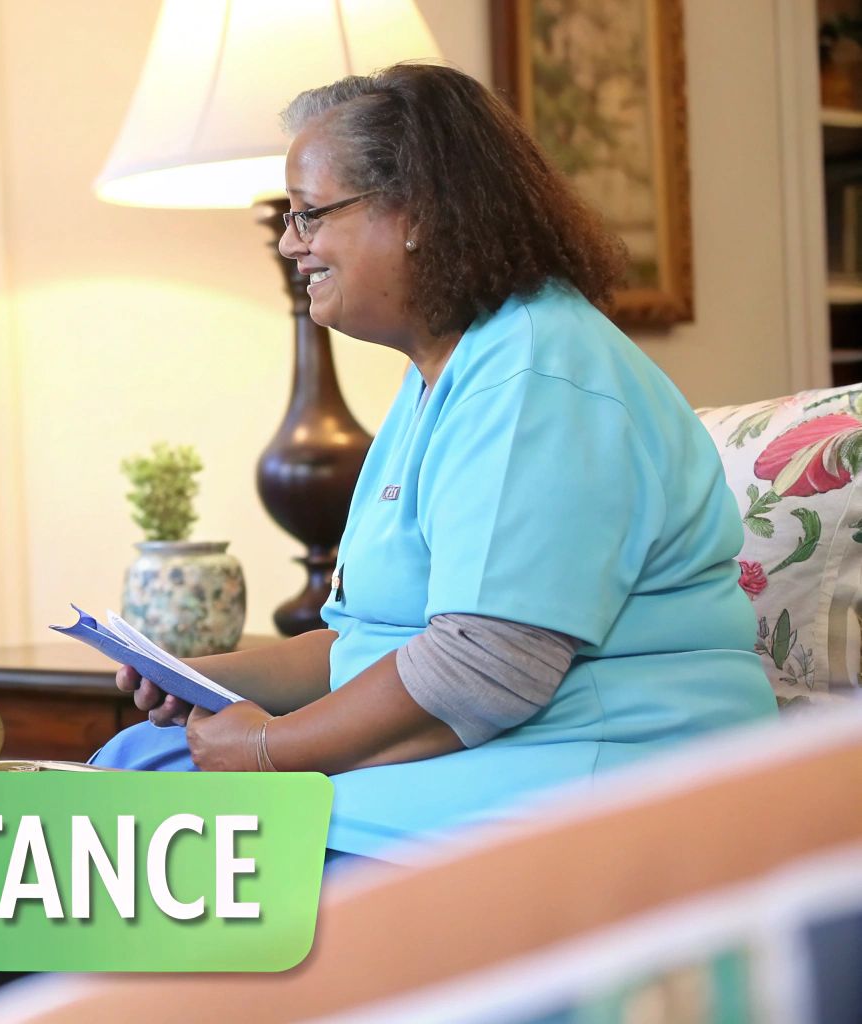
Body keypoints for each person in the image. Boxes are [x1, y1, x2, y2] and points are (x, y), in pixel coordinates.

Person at [92, 63, 776, 864]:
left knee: (114, 853)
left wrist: (269, 751)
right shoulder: (444, 375)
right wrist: (202, 676)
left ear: (414, 211)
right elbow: (368, 643)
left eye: (310, 213)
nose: (288, 242)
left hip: (583, 773)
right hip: (490, 750)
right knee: (127, 773)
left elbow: (483, 670)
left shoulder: (537, 375)